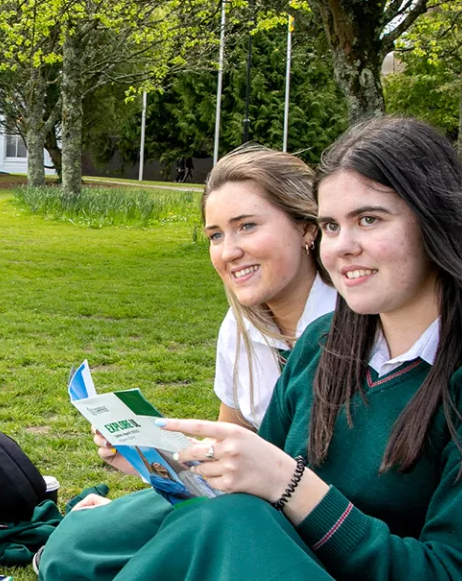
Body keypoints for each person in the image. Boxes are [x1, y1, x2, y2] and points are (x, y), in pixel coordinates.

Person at [39, 117, 462, 581]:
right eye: (331, 225)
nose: (343, 246)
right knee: (79, 545)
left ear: (437, 221)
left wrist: (289, 484)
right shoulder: (323, 345)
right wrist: (160, 455)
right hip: (295, 554)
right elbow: (256, 485)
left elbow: (456, 572)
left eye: (369, 219)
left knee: (222, 528)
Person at [91, 147, 336, 483]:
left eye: (247, 226)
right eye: (216, 235)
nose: (228, 252)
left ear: (307, 229)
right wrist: (154, 455)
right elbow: (229, 443)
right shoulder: (239, 327)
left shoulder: (357, 327)